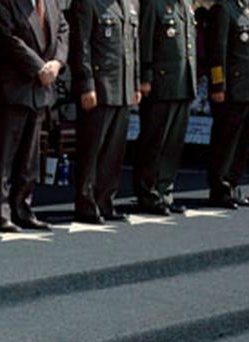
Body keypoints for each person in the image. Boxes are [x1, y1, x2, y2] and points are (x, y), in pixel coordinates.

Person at [0, 0, 69, 232]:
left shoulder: (50, 2)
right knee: (4, 156)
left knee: (29, 158)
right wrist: (39, 68)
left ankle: (22, 208)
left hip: (41, 89)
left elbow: (63, 29)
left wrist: (57, 62)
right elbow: (8, 38)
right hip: (14, 88)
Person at [70, 0, 142, 224]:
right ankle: (86, 204)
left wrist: (136, 83)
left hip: (123, 87)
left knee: (114, 151)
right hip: (99, 88)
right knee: (92, 150)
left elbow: (134, 47)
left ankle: (105, 201)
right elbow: (80, 45)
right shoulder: (87, 3)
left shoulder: (131, 4)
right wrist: (86, 83)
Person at [133, 0, 196, 215]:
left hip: (183, 83)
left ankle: (165, 192)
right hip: (161, 84)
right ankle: (147, 193)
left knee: (173, 144)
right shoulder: (154, 4)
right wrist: (145, 76)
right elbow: (145, 41)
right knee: (154, 141)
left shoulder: (186, 4)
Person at [206, 0, 249, 209]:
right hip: (231, 89)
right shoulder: (223, 8)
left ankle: (233, 185)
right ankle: (220, 189)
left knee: (242, 142)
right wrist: (217, 85)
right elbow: (216, 51)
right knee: (226, 141)